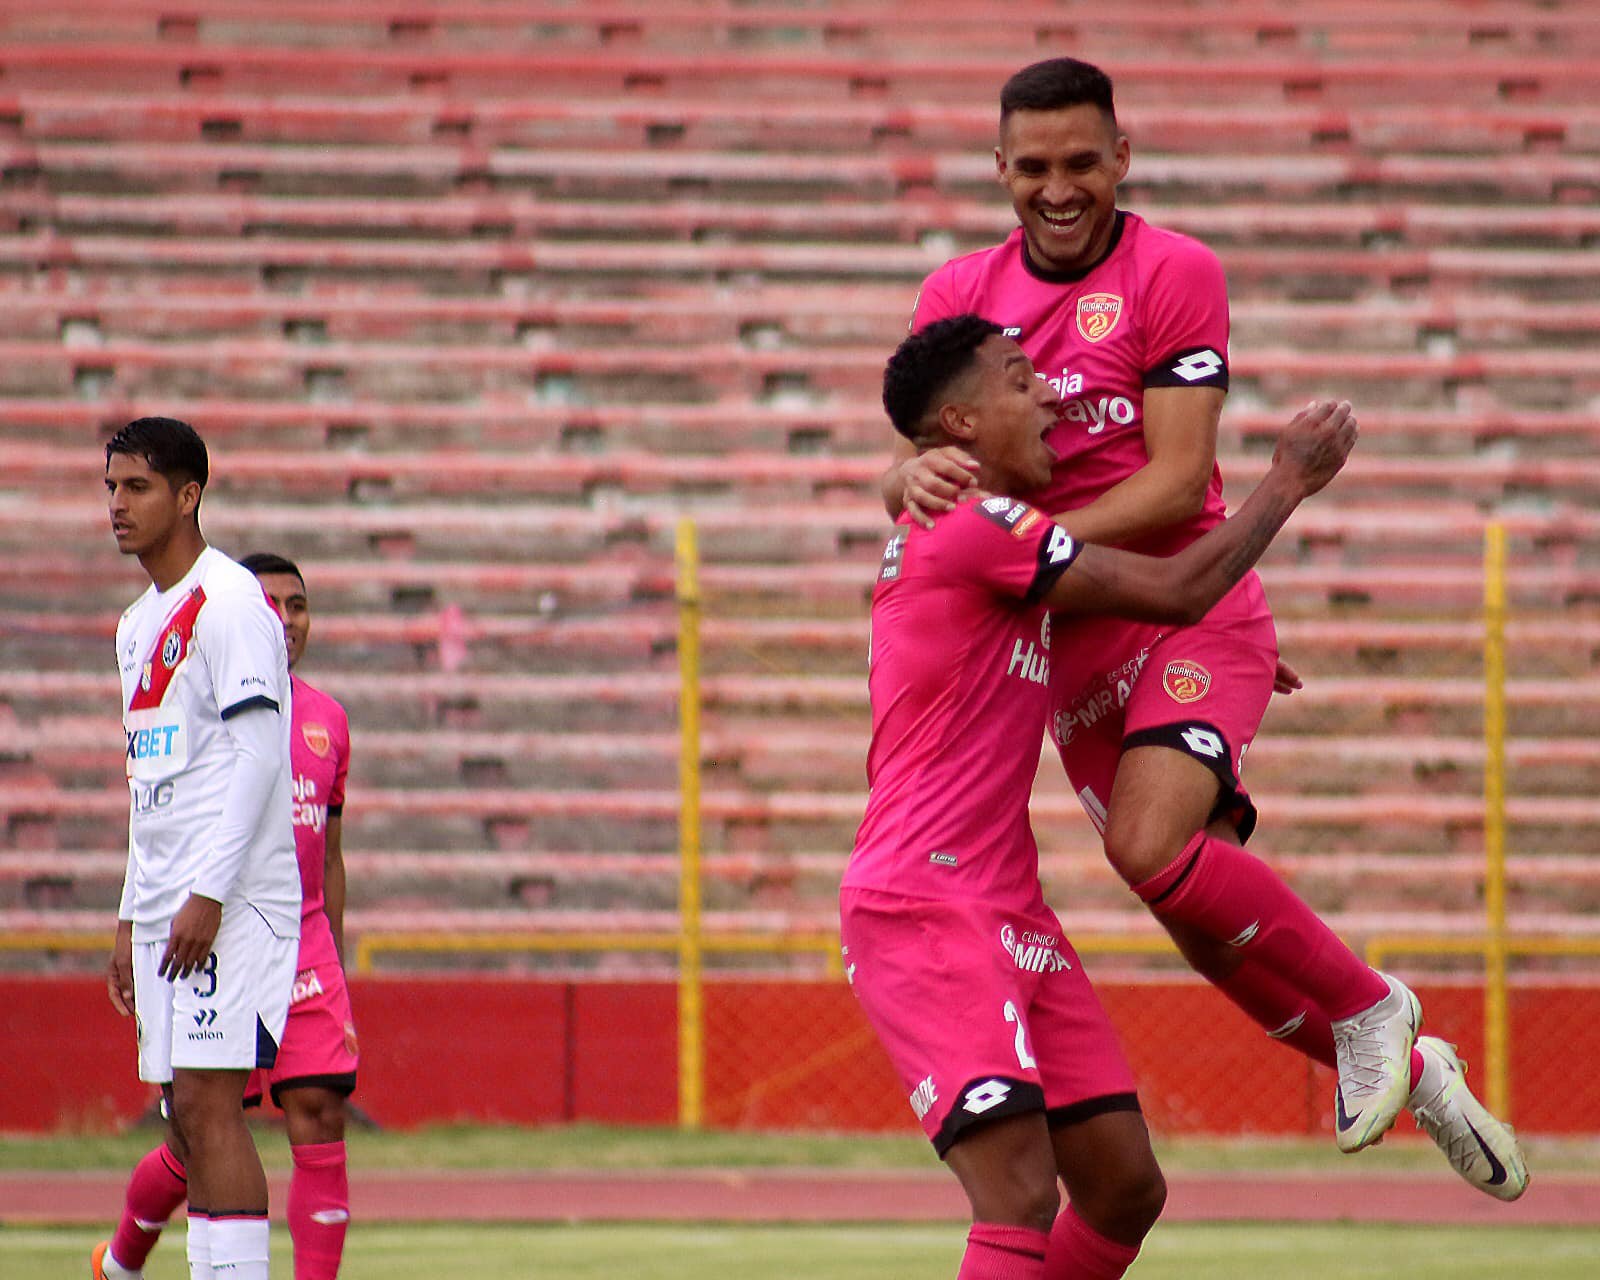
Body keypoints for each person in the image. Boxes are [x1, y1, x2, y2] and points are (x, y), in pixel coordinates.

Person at [886, 57, 1527, 1197]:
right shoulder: (957, 296)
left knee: (1146, 845)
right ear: (998, 170)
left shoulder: (1174, 270)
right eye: (1031, 165)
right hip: (1072, 642)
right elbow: (932, 456)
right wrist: (912, 485)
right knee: (1186, 896)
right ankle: (1410, 1064)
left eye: (1081, 160)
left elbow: (1180, 485)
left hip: (1174, 599)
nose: (1058, 186)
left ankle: (1374, 1009)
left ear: (1121, 158)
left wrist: (1028, 559)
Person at [846, 315, 1363, 1280]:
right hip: (926, 900)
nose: (1052, 396)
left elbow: (1135, 619)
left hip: (1003, 903)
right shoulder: (981, 525)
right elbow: (1173, 592)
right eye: (1018, 380)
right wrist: (1288, 479)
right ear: (958, 422)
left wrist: (1233, 647)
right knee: (1018, 1196)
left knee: (1124, 1188)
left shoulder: (985, 540)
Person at [95, 552, 357, 1280]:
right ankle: (124, 1256)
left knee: (318, 1109)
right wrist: (133, 913)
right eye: (271, 602)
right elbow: (156, 802)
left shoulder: (327, 720)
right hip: (213, 921)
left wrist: (330, 942)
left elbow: (329, 851)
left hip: (292, 935)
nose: (283, 618)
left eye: (297, 605)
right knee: (199, 1127)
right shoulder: (195, 679)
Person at [99, 417, 300, 1280]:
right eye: (110, 487)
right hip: (165, 903)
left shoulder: (230, 604)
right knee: (185, 1114)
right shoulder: (137, 625)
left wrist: (209, 895)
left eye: (137, 487)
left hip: (231, 899)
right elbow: (152, 786)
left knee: (214, 1105)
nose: (117, 505)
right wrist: (128, 913)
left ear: (188, 496)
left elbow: (260, 756)